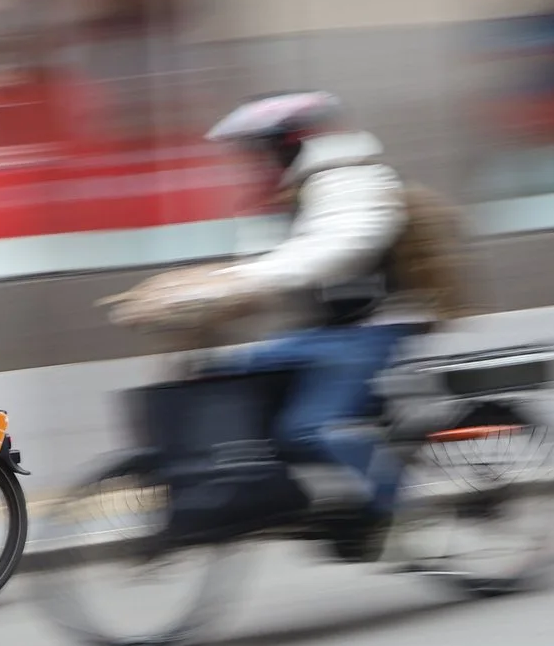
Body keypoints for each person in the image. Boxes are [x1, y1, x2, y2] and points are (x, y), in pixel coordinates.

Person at [114, 92, 421, 560]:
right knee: (233, 373)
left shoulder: (350, 181)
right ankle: (309, 500)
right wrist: (206, 302)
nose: (254, 161)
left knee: (307, 428)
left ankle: (395, 511)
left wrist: (245, 280)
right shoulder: (285, 191)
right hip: (325, 332)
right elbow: (261, 269)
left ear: (291, 143)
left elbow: (337, 246)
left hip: (373, 326)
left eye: (262, 149)